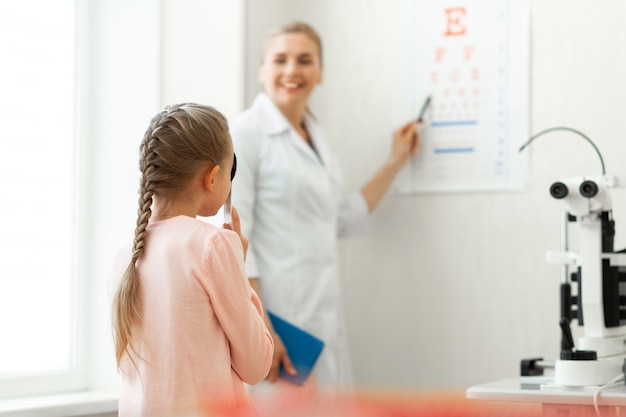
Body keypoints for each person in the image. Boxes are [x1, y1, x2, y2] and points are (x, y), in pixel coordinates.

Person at [230, 22, 420, 391]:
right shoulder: (246, 131)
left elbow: (341, 219)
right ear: (262, 69)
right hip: (278, 323)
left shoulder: (317, 135)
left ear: (319, 72)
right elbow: (237, 237)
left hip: (323, 317)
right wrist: (261, 327)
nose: (291, 71)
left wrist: (395, 162)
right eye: (280, 59)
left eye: (305, 60)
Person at [111, 104, 274, 417]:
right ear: (212, 178)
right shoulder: (213, 245)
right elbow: (256, 365)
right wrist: (239, 268)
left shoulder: (124, 257)